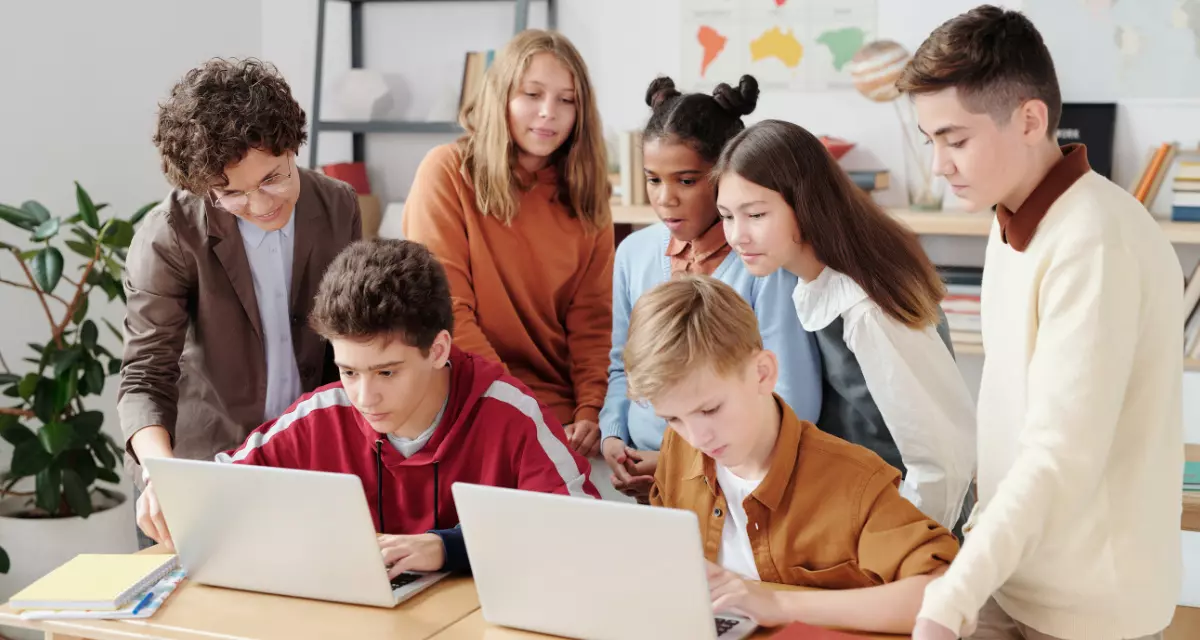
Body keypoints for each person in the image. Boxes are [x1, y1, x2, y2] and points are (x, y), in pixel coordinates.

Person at [897, 6, 1183, 640]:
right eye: (930, 140)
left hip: (1091, 611)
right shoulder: (1012, 220)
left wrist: (951, 600)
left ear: (1029, 120)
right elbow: (1012, 422)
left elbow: (1059, 456)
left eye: (955, 140)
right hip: (1018, 578)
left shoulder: (1094, 241)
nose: (939, 165)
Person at [137, 238, 600, 574]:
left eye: (386, 372)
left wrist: (450, 548)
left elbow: (583, 533)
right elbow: (215, 488)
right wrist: (170, 496)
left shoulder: (512, 414)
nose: (363, 398)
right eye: (349, 371)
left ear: (438, 350)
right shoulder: (322, 414)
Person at [626, 275, 959, 635]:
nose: (696, 437)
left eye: (710, 409)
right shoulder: (679, 448)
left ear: (762, 373)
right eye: (673, 418)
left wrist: (780, 604)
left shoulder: (854, 482)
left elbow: (944, 594)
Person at [120, 58, 361, 547]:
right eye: (232, 193)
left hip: (313, 467)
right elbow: (145, 376)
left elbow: (352, 341)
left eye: (273, 178)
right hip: (204, 476)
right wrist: (163, 476)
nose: (262, 204)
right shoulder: (170, 235)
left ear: (293, 146)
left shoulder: (338, 206)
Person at [712, 119, 976, 532]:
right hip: (862, 517)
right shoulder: (813, 281)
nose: (737, 235)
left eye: (756, 214)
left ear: (804, 203)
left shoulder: (864, 307)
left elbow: (940, 463)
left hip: (909, 532)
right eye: (727, 216)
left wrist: (907, 549)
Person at [598, 75, 822, 501]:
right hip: (644, 476)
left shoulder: (764, 265)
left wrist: (677, 463)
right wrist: (613, 436)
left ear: (726, 176)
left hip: (736, 482)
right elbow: (622, 368)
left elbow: (793, 401)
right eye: (653, 179)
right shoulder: (632, 253)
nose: (665, 198)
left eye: (686, 181)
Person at [402, 29, 613, 457]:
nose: (548, 112)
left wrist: (593, 411)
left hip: (561, 412)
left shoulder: (588, 194)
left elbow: (594, 322)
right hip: (466, 396)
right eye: (532, 94)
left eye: (567, 100)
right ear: (501, 96)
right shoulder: (447, 171)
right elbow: (448, 312)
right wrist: (520, 409)